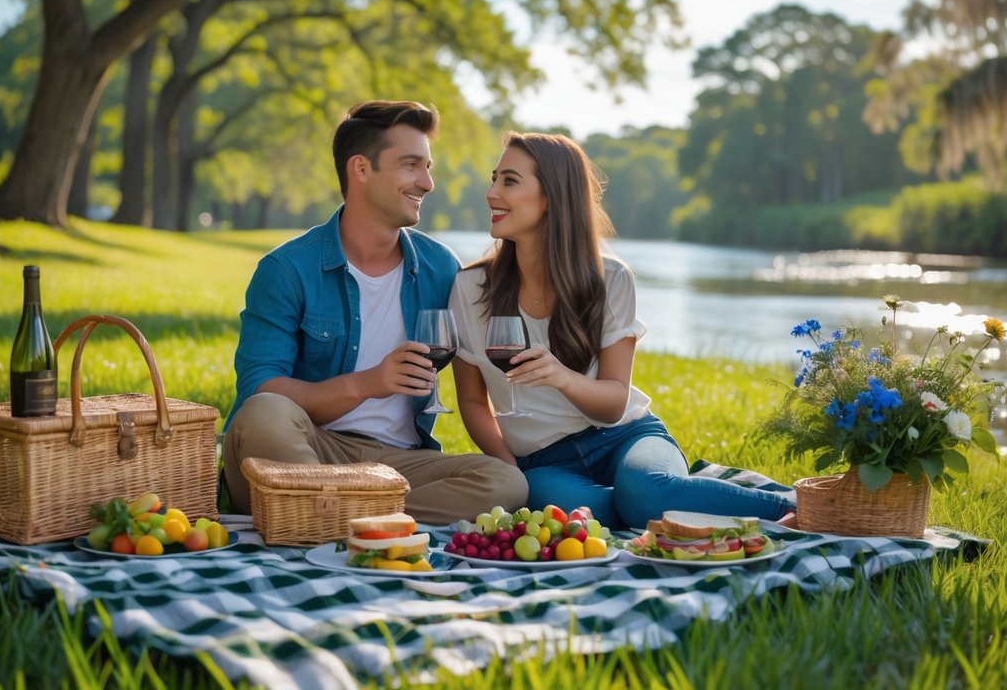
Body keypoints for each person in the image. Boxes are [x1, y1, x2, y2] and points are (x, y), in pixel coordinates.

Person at [448, 131, 797, 530]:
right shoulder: (471, 289)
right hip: (542, 461)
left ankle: (796, 506)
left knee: (644, 491)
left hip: (624, 436)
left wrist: (562, 377)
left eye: (509, 181)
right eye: (494, 178)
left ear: (553, 197)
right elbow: (474, 402)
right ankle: (673, 500)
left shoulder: (610, 279)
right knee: (584, 514)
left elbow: (614, 402)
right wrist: (512, 471)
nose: (492, 192)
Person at [222, 100, 528, 525]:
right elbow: (260, 389)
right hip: (309, 446)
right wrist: (369, 383)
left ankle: (321, 519)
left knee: (505, 483)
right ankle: (360, 519)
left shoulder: (441, 267)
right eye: (411, 165)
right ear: (361, 169)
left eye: (428, 166)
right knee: (264, 413)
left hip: (398, 466)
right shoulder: (288, 270)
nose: (427, 182)